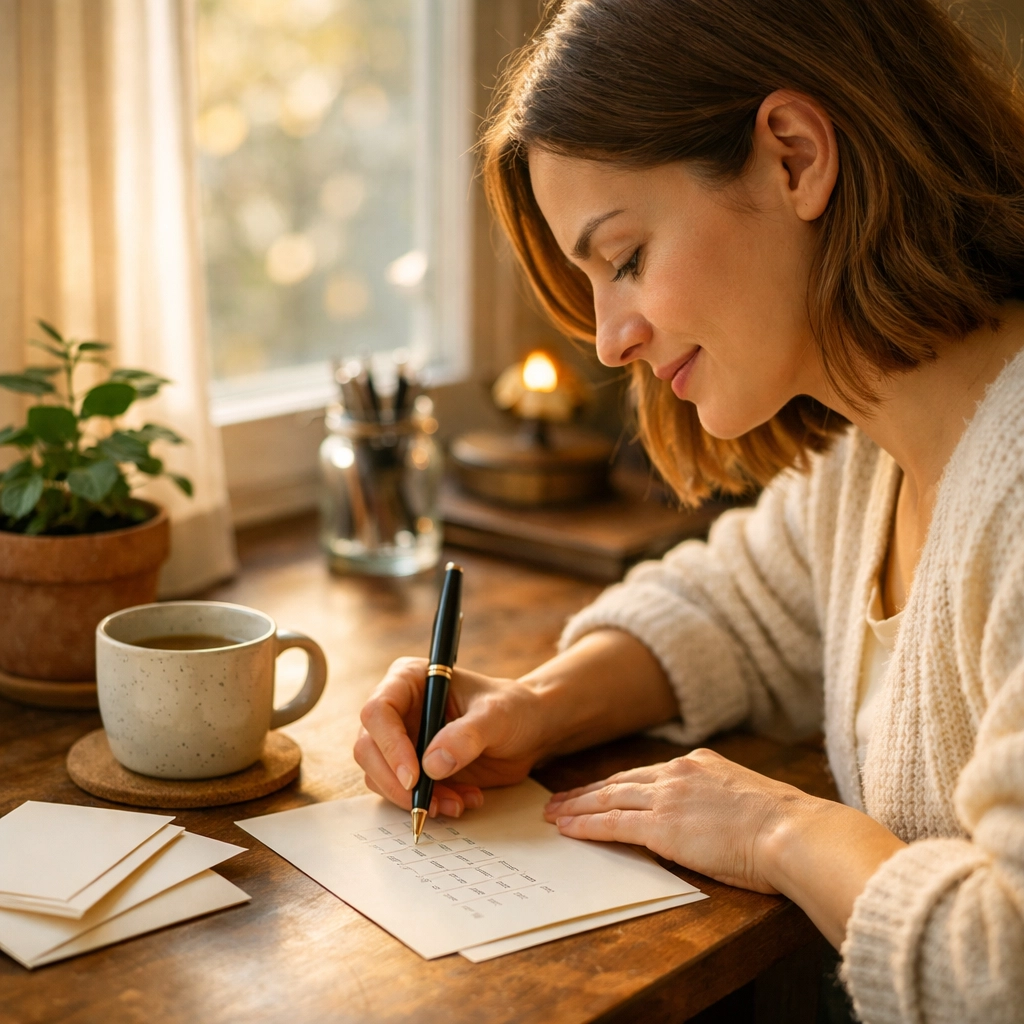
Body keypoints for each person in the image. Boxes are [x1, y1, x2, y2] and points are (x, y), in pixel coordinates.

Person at [354, 1, 1024, 1020]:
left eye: (622, 258)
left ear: (794, 158)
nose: (609, 338)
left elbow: (1001, 965)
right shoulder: (872, 459)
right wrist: (535, 705)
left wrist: (775, 831)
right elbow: (732, 606)